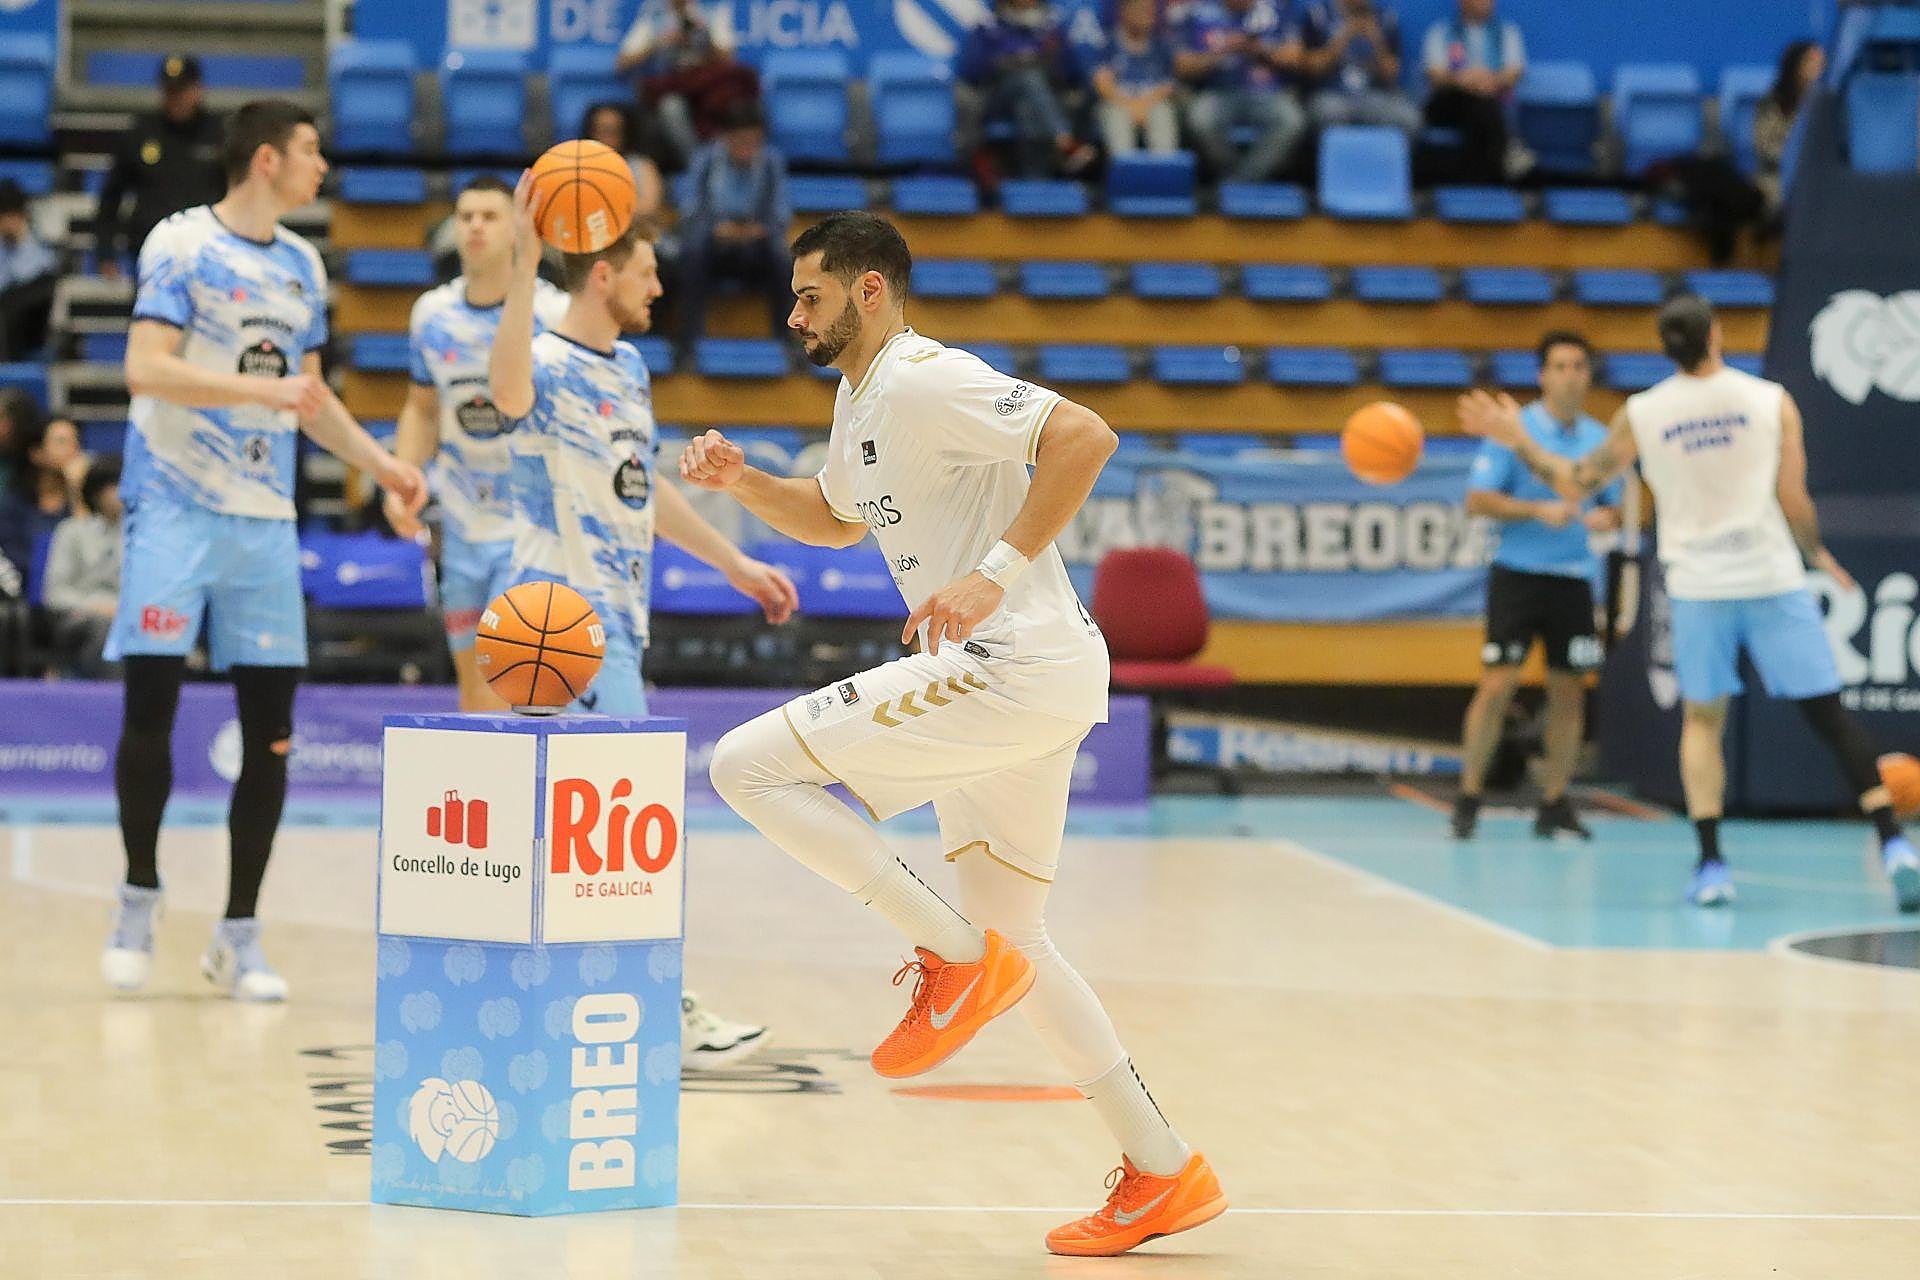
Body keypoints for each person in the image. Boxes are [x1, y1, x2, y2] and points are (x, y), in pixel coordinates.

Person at [687, 211, 1225, 1257]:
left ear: (871, 289)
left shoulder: (927, 375)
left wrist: (995, 570)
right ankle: (1163, 1167)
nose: (793, 315)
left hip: (1007, 665)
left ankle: (946, 954)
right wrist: (743, 483)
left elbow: (1085, 435)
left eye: (810, 295)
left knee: (744, 765)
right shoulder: (860, 397)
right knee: (1019, 941)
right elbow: (839, 517)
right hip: (1031, 680)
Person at [100, 100, 430, 1000]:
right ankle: (137, 895)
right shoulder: (178, 243)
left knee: (270, 737)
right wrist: (264, 393)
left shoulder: (302, 265)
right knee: (151, 715)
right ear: (265, 160)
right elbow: (145, 367)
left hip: (262, 523)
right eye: (311, 152)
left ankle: (238, 933)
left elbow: (310, 400)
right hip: (171, 505)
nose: (323, 167)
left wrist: (386, 468)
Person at [1459, 295, 1920, 912]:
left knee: (1704, 723)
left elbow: (1573, 481)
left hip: (1700, 587)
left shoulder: (1643, 414)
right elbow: (1794, 499)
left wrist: (1518, 438)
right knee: (1829, 715)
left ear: (1665, 348)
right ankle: (1895, 847)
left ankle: (1711, 865)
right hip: (1770, 577)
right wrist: (1816, 554)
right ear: (1716, 336)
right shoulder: (1768, 400)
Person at [489, 173, 800, 1065]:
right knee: (628, 829)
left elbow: (642, 487)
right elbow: (505, 392)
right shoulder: (541, 360)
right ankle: (654, 1005)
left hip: (616, 619)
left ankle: (581, 1000)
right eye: (646, 272)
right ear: (601, 278)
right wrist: (524, 253)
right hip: (558, 621)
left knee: (590, 832)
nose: (660, 287)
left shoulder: (625, 368)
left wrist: (735, 560)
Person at [386, 176, 569, 713]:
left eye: (489, 216)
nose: (474, 227)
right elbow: (422, 408)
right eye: (465, 216)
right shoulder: (432, 315)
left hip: (533, 528)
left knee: (519, 686)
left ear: (517, 230)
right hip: (464, 529)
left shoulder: (553, 315)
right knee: (474, 693)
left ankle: (530, 793)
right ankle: (495, 796)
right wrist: (403, 478)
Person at [1452, 331, 1622, 842]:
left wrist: (1603, 518)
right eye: (1560, 366)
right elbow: (1478, 499)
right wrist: (1535, 511)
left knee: (1569, 691)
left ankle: (1553, 801)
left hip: (1572, 580)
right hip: (1518, 573)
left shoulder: (1599, 439)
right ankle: (1468, 796)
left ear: (1588, 376)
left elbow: (1611, 505)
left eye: (1579, 366)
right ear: (1543, 375)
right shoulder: (1513, 429)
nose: (1570, 375)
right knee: (1498, 684)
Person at [94, 55, 226, 278]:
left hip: (208, 252)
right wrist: (105, 251)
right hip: (151, 251)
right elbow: (111, 197)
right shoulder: (140, 133)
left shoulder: (221, 135)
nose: (176, 99)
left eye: (182, 91)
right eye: (170, 91)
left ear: (198, 89)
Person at [677, 102, 794, 348]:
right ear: (726, 138)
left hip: (756, 244)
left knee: (782, 256)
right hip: (715, 242)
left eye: (754, 142)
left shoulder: (771, 163)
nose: (747, 149)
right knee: (692, 250)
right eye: (741, 141)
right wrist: (715, 228)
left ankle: (788, 343)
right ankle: (688, 343)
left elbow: (781, 213)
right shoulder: (705, 160)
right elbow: (690, 209)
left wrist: (759, 230)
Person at [958, 0, 1097, 178]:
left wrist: (1045, 62)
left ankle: (1035, 182)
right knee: (1028, 80)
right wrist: (1007, 61)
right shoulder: (989, 25)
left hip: (1042, 97)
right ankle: (1064, 141)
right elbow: (971, 71)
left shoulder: (1051, 26)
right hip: (997, 97)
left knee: (1028, 104)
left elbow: (1071, 72)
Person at [1174, 0, 1310, 182]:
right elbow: (1182, 67)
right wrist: (1222, 51)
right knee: (1200, 119)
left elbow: (1294, 58)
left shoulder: (1273, 11)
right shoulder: (1199, 13)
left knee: (1292, 120)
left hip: (1266, 94)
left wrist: (1256, 49)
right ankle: (1237, 176)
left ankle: (1241, 180)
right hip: (1219, 92)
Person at [614, 0, 759, 166]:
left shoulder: (711, 13)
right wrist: (658, 43)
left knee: (727, 102)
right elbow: (622, 64)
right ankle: (699, 166)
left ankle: (717, 162)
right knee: (671, 107)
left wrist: (703, 35)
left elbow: (728, 59)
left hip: (707, 88)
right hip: (672, 86)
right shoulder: (653, 17)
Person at [1421, 0, 1526, 183]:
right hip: (1450, 102)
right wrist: (1464, 80)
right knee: (1481, 105)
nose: (1487, 3)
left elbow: (1514, 72)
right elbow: (1435, 74)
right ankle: (1503, 164)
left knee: (1481, 108)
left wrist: (1488, 80)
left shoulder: (1507, 32)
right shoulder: (1440, 32)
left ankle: (1473, 182)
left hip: (1490, 99)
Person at [45, 455, 124, 677]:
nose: (116, 493)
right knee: (104, 627)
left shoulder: (143, 539)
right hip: (76, 617)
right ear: (95, 491)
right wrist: (95, 605)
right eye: (109, 486)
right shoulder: (71, 531)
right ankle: (112, 696)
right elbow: (55, 593)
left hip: (126, 617)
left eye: (121, 485)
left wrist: (121, 608)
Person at [1299, 0, 1422, 135]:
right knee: (1329, 113)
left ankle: (1383, 156)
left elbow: (1391, 75)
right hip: (1331, 93)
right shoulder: (1318, 14)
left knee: (1409, 119)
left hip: (1374, 96)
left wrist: (1376, 41)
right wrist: (1345, 35)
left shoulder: (1386, 18)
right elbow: (1313, 70)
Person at [1093, 0, 1180, 157]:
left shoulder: (1161, 46)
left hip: (1152, 102)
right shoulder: (1107, 43)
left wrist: (1143, 105)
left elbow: (1168, 86)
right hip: (1118, 102)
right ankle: (1125, 172)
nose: (1148, 16)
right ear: (1125, 12)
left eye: (1150, 11)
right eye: (1142, 10)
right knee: (1117, 117)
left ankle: (1164, 172)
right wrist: (1130, 105)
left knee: (1162, 113)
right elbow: (1102, 83)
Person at [1755, 39, 1824, 218]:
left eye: (1822, 62)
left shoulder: (1826, 104)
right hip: (1776, 177)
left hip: (1816, 177)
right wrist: (1795, 159)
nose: (1819, 67)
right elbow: (1765, 147)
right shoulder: (1772, 102)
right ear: (1796, 66)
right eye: (1812, 61)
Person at [0, 178, 57, 360]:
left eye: (11, 216)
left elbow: (37, 274)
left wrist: (21, 239)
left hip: (27, 323)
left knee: (15, 302)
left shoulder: (37, 244)